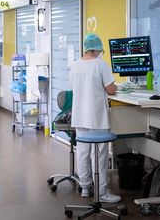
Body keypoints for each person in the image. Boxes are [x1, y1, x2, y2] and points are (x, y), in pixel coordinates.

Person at [68, 33, 120, 203]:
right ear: (97, 49)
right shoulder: (100, 65)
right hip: (96, 116)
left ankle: (85, 187)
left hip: (79, 116)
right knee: (99, 154)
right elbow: (111, 90)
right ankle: (102, 192)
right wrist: (116, 86)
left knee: (82, 152)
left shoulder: (75, 65)